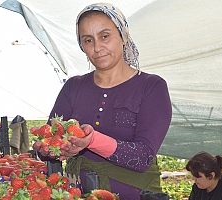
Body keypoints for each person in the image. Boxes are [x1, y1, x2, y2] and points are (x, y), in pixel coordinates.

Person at [41, 3, 172, 199]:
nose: (97, 48)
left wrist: (91, 140)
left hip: (135, 194)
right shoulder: (73, 87)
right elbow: (50, 140)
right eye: (88, 40)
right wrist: (49, 149)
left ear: (123, 35)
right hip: (79, 193)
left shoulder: (151, 87)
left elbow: (143, 157)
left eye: (104, 36)